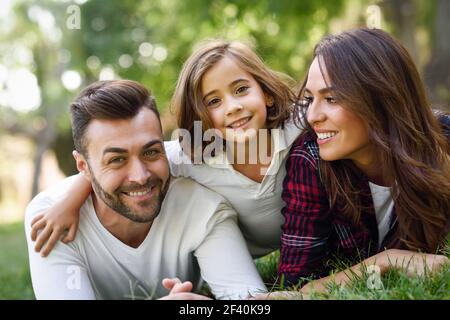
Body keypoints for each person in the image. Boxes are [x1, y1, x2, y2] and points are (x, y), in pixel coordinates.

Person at [29, 40, 302, 258]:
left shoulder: (297, 129)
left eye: (241, 89)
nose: (233, 107)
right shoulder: (192, 157)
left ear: (265, 92)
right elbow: (121, 165)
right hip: (236, 253)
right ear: (199, 114)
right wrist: (69, 203)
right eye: (214, 101)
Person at [24, 80, 267, 299]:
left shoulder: (204, 208)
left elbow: (248, 302)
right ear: (83, 167)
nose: (140, 176)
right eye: (116, 159)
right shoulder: (50, 218)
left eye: (151, 152)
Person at [277, 27, 449, 295]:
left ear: (381, 98)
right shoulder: (311, 159)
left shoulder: (442, 141)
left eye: (331, 99)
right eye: (310, 99)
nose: (312, 116)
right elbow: (296, 287)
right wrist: (385, 260)